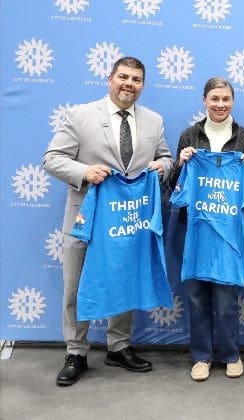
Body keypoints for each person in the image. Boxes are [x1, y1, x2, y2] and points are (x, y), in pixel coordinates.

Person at [43, 56, 174, 386]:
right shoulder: (80, 115)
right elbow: (52, 159)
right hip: (86, 218)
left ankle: (119, 346)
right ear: (110, 78)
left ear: (143, 85)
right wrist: (84, 172)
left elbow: (166, 157)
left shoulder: (154, 121)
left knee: (124, 279)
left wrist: (163, 167)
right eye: (124, 77)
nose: (130, 84)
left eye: (137, 79)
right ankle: (76, 352)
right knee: (75, 285)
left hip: (128, 222)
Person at [168, 77, 244, 381]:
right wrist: (181, 164)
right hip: (193, 230)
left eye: (226, 99)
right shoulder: (189, 135)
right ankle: (201, 356)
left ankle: (231, 353)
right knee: (196, 297)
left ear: (233, 101)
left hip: (229, 232)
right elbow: (175, 189)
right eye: (214, 99)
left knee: (226, 298)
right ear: (204, 100)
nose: (220, 105)